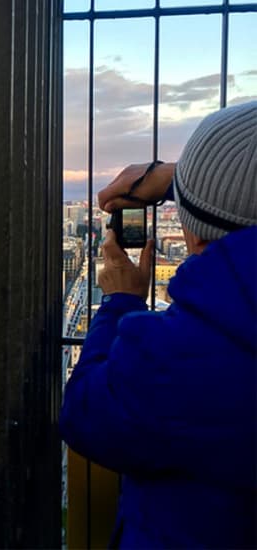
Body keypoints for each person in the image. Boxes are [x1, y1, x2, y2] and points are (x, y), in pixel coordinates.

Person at [59, 101, 257, 548]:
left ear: (193, 230)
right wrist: (174, 177)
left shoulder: (189, 354)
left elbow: (87, 417)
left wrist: (121, 303)